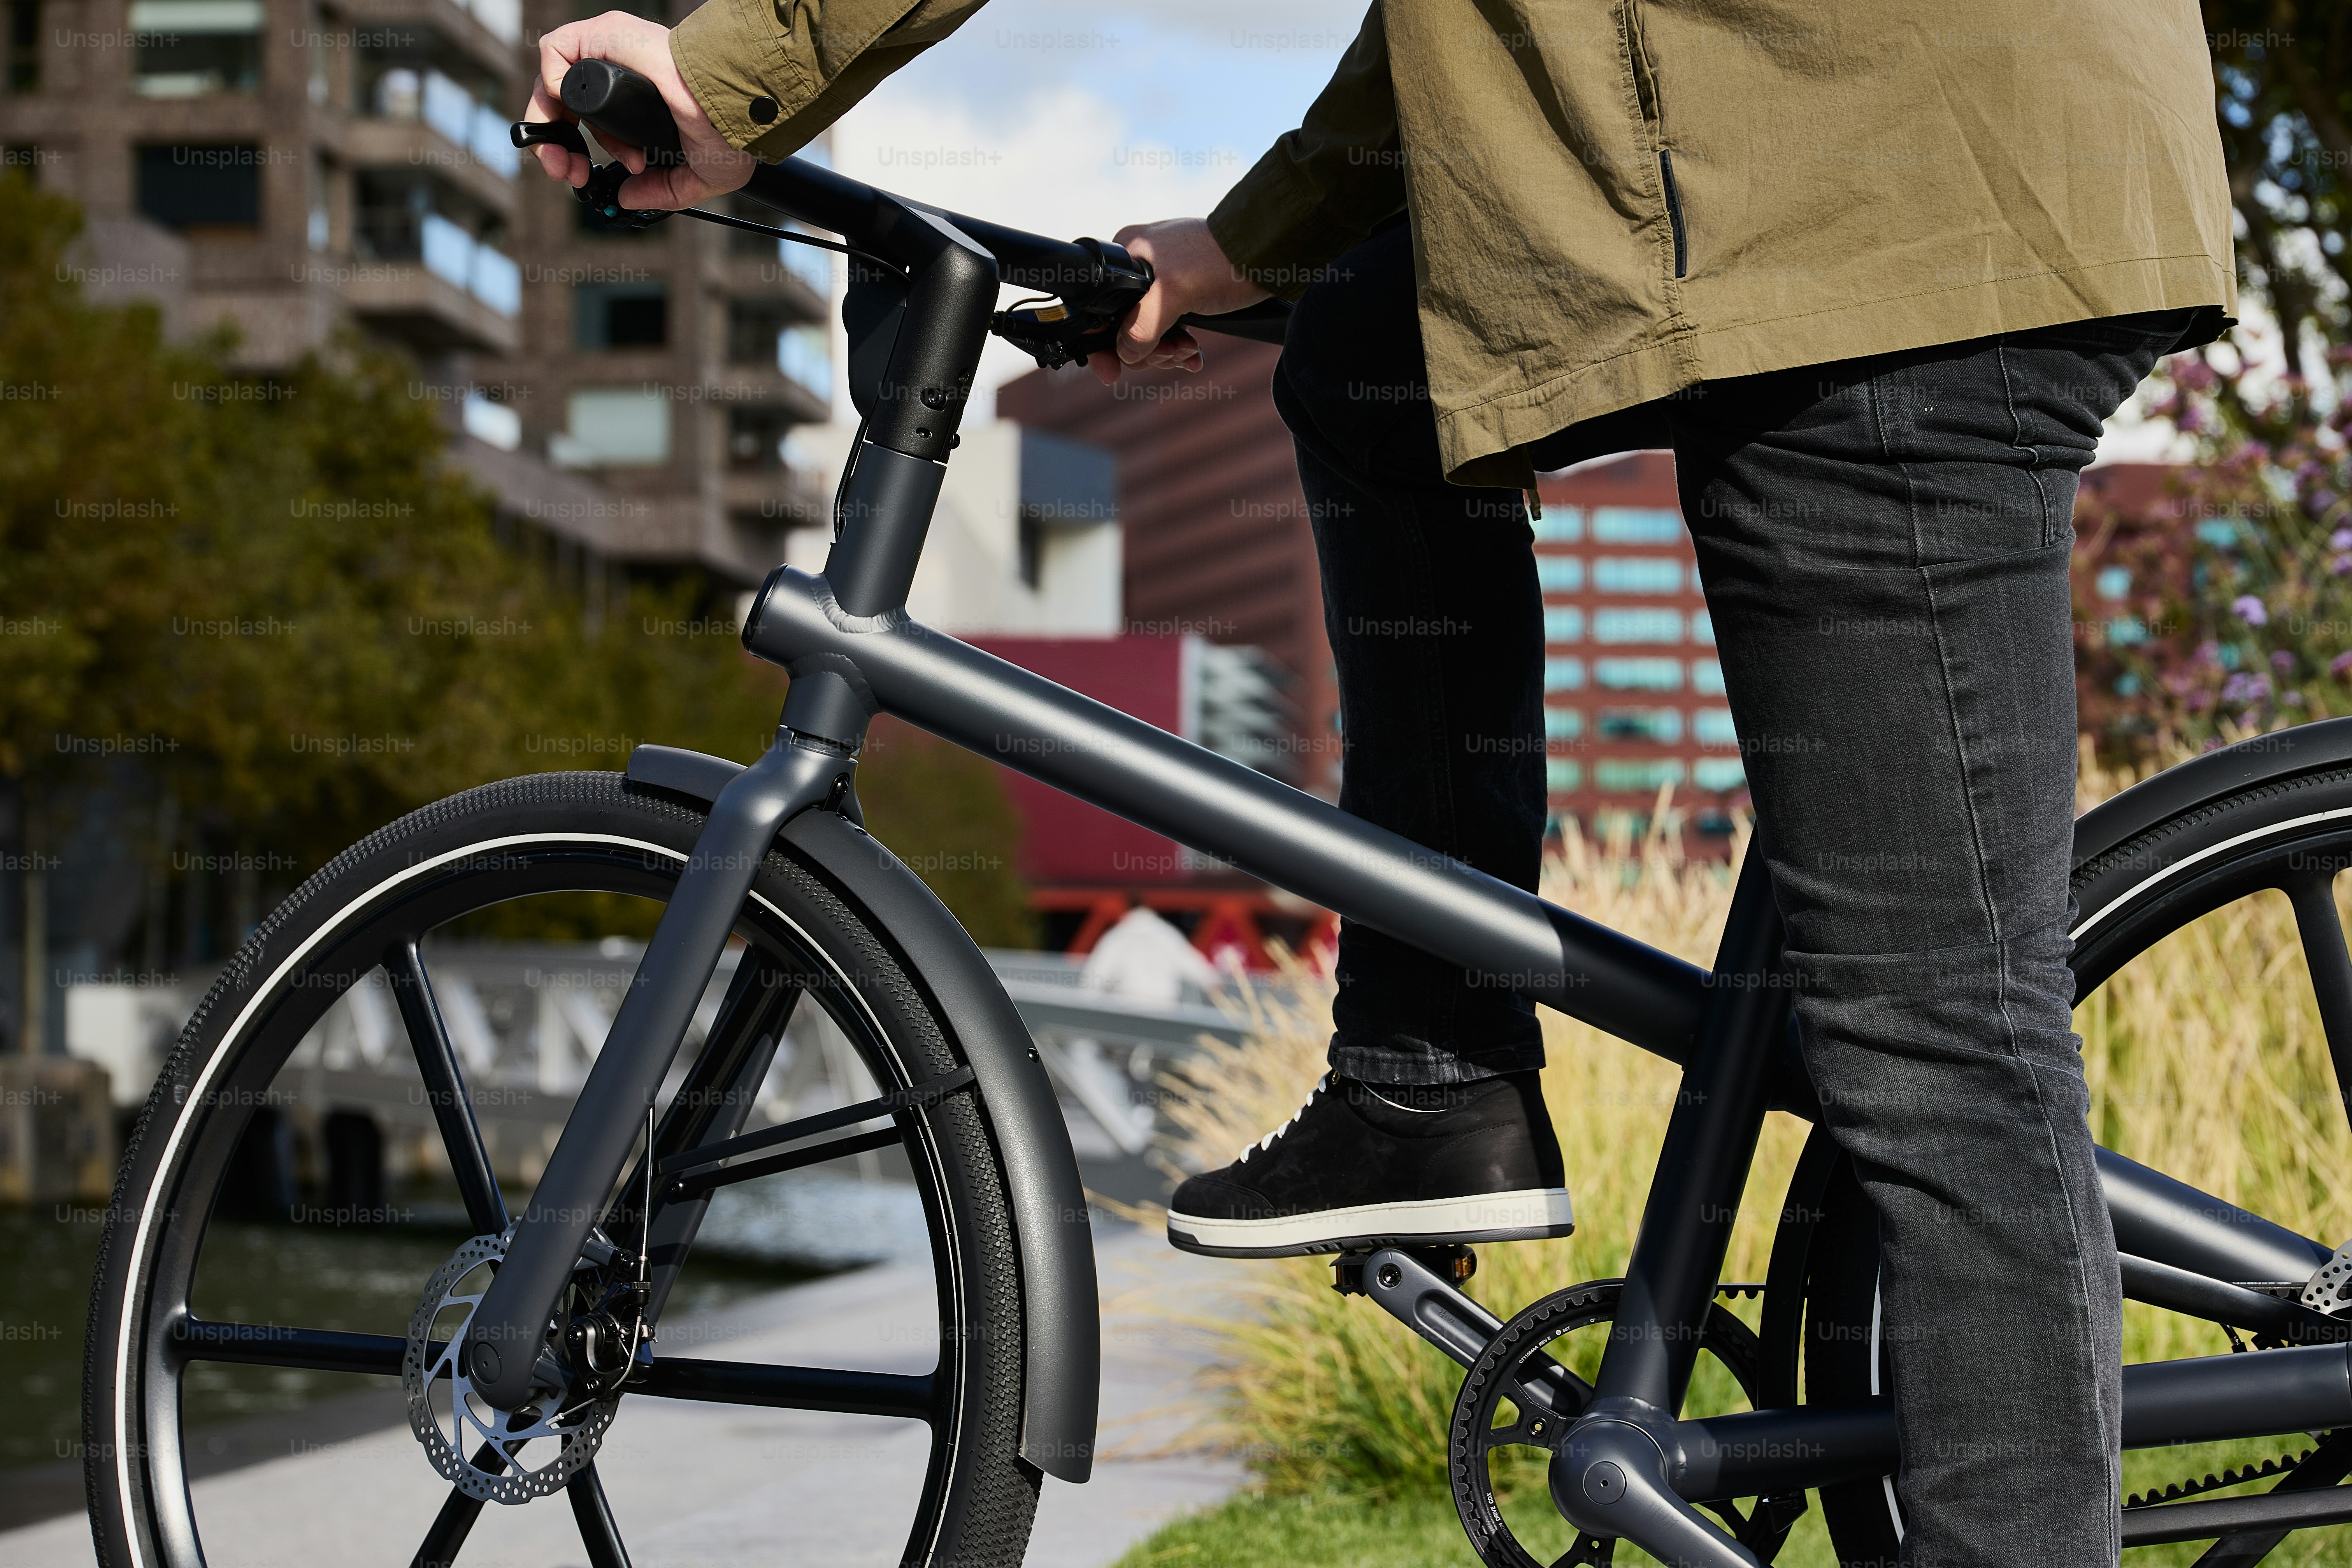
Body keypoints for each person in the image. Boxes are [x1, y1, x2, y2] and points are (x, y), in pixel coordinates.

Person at [524, 5, 2235, 1562]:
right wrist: (1244, 249)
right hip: (1808, 154)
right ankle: (1432, 1080)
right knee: (1366, 353)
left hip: (1872, 201)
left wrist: (731, 69)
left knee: (1934, 1046)